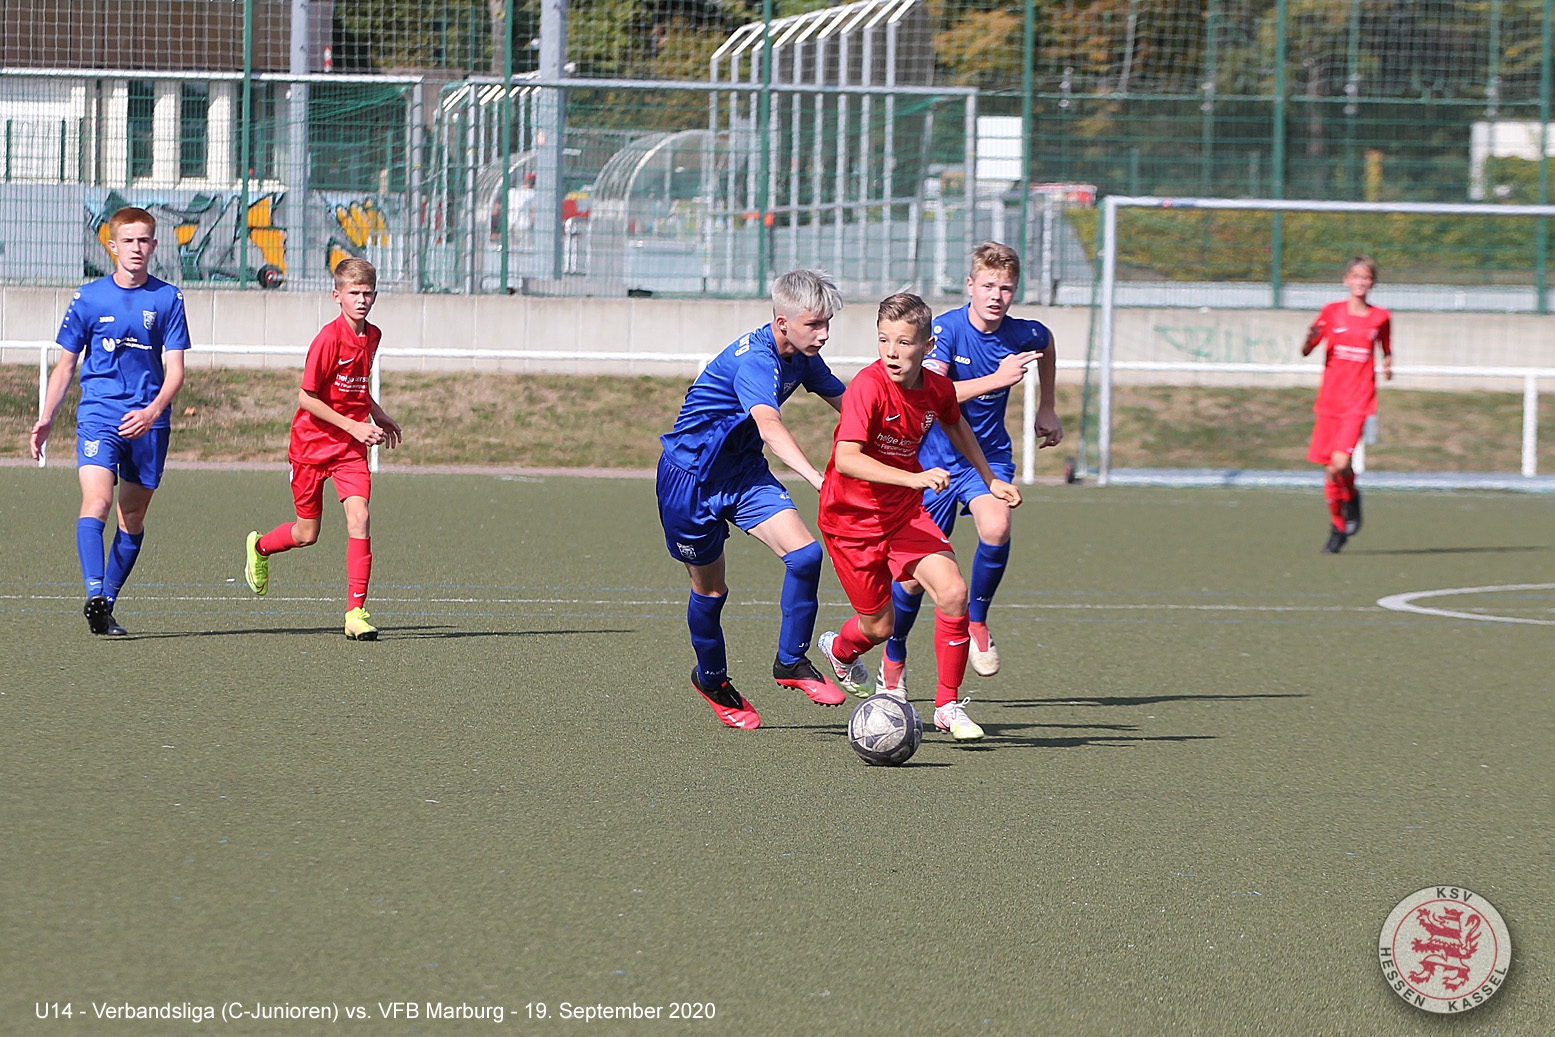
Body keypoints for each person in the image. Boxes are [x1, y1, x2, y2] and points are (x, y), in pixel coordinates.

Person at [815, 292, 1022, 742]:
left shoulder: (937, 388)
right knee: (880, 627)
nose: (891, 352)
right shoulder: (867, 387)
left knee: (953, 592)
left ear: (928, 347)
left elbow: (955, 422)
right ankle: (841, 650)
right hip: (850, 523)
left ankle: (947, 706)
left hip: (904, 515)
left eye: (904, 342)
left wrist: (989, 478)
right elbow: (847, 458)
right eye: (884, 339)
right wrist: (912, 478)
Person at [657, 269, 850, 730]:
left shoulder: (802, 355)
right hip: (690, 482)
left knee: (805, 555)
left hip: (743, 473)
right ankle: (712, 680)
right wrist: (818, 478)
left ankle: (791, 661)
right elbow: (770, 425)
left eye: (827, 323)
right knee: (711, 591)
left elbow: (851, 405)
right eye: (814, 324)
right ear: (782, 322)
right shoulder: (757, 362)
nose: (823, 334)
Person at [881, 242, 1061, 694]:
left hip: (989, 456)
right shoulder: (945, 330)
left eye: (1006, 288)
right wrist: (998, 379)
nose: (996, 296)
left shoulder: (1023, 333)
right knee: (913, 581)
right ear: (970, 285)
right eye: (988, 286)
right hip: (933, 462)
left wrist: (1048, 406)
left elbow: (1047, 343)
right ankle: (894, 653)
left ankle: (977, 620)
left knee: (996, 526)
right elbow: (934, 393)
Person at [30, 206, 190, 636]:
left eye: (144, 241)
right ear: (112, 246)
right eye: (129, 241)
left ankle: (106, 606)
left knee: (131, 518)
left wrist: (152, 412)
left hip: (149, 422)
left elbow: (175, 371)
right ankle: (94, 592)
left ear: (154, 245)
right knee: (97, 501)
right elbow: (66, 366)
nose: (137, 248)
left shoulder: (168, 298)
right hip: (99, 414)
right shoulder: (88, 298)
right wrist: (47, 417)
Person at [242, 257, 402, 639]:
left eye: (367, 293)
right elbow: (306, 397)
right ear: (337, 296)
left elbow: (356, 389)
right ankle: (260, 548)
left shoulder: (373, 336)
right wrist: (354, 425)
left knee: (360, 517)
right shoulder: (328, 339)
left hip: (349, 448)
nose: (361, 300)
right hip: (311, 446)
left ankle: (355, 613)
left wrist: (377, 414)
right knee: (306, 533)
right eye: (353, 293)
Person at [1303, 255, 1391, 554]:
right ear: (1346, 280)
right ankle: (1338, 525)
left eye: (1366, 277)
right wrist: (1309, 339)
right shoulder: (1331, 312)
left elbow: (1386, 347)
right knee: (1332, 470)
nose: (1360, 282)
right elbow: (1307, 349)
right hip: (1330, 402)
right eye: (1355, 277)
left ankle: (1349, 500)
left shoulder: (1381, 317)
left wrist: (1388, 363)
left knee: (1339, 464)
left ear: (1372, 283)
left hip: (1358, 402)